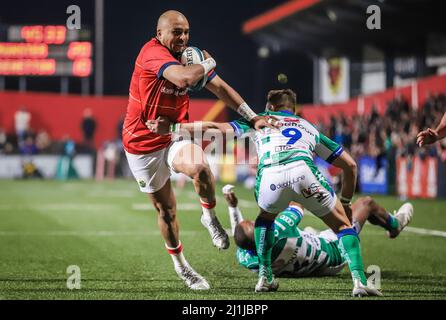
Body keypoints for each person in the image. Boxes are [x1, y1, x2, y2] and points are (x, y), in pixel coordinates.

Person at [147, 88, 382, 296]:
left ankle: (265, 277)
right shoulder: (307, 126)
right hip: (304, 172)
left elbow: (214, 128)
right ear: (294, 108)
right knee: (342, 227)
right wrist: (346, 201)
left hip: (271, 178)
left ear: (270, 107)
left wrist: (174, 128)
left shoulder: (257, 120)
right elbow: (350, 165)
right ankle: (360, 282)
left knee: (265, 219)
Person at [122, 10, 278, 291]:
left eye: (186, 32)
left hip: (172, 135)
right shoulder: (152, 53)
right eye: (176, 32)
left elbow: (221, 88)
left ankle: (209, 216)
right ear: (160, 35)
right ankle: (182, 267)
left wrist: (252, 116)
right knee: (167, 211)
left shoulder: (192, 58)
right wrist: (210, 62)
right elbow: (182, 79)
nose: (182, 37)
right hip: (142, 145)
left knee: (201, 168)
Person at [221, 185, 413, 288]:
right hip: (334, 250)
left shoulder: (247, 258)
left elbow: (242, 239)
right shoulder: (278, 229)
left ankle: (375, 219)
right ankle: (394, 225)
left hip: (311, 260)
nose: (258, 224)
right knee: (366, 203)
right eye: (255, 226)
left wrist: (233, 208)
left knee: (309, 230)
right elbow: (297, 205)